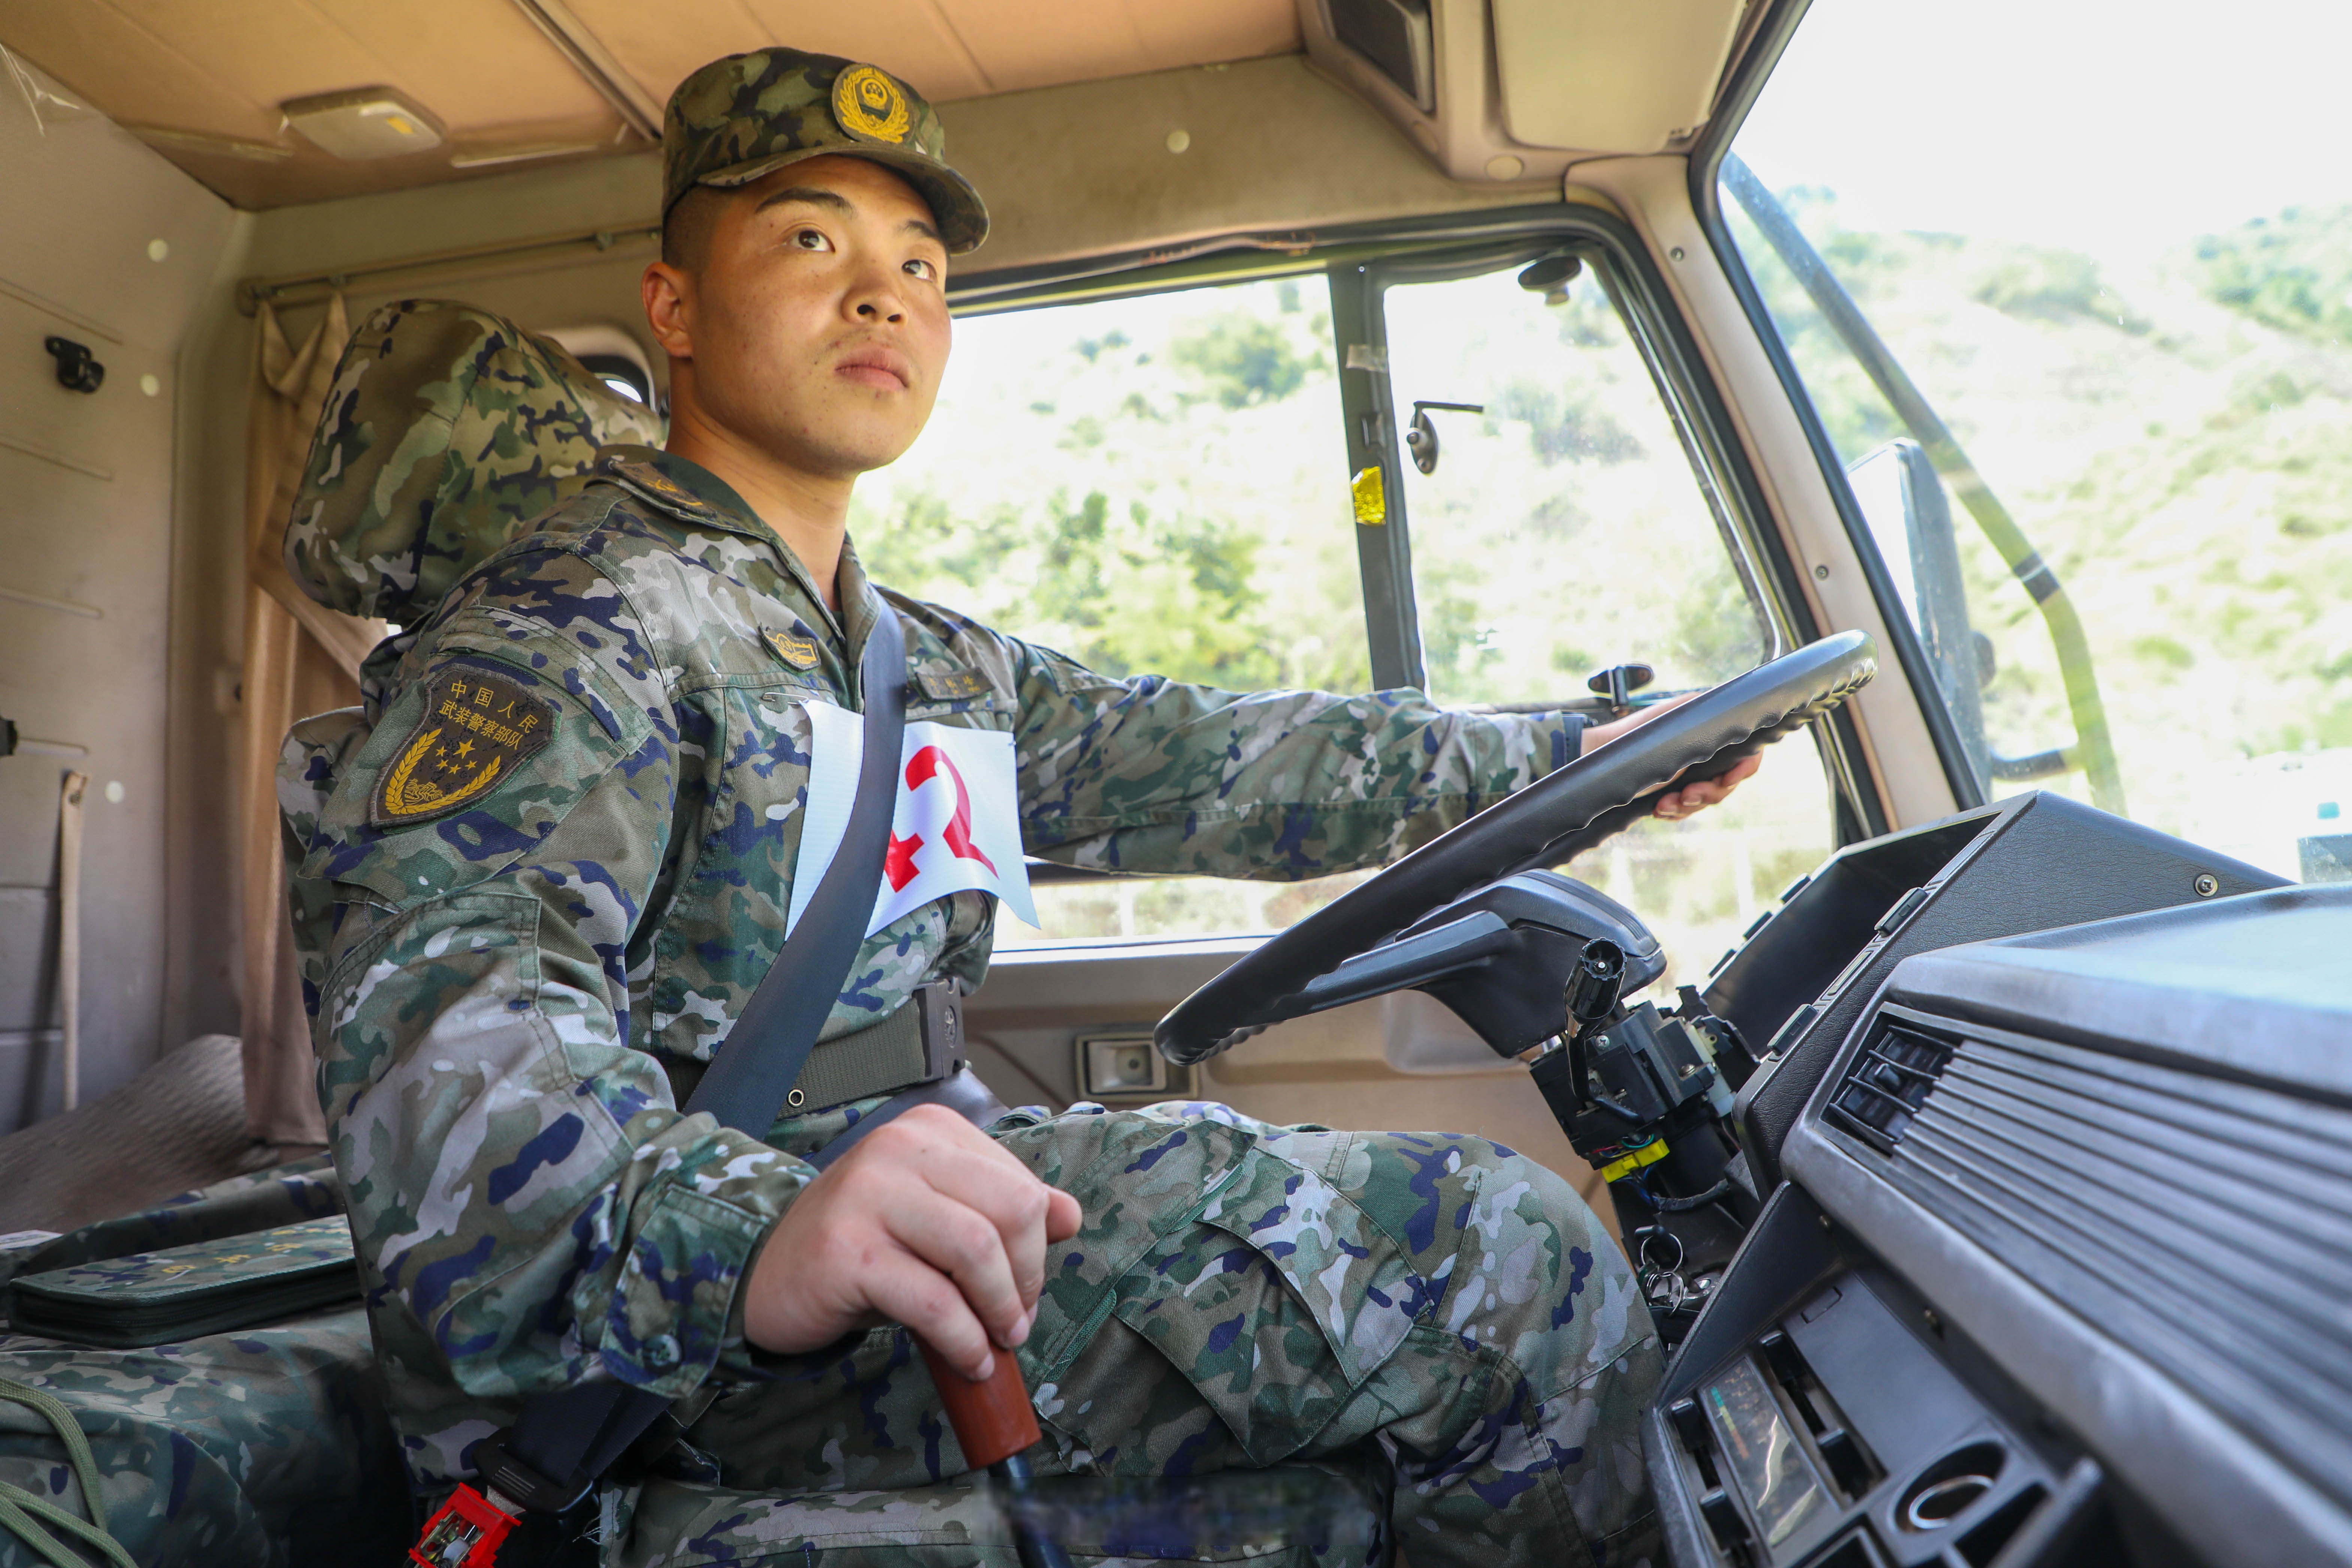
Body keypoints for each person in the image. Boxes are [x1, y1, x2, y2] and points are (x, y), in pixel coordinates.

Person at [284, 47, 1758, 1568]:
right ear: (672, 310)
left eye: (917, 264)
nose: (884, 297)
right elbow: (446, 1104)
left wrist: (1574, 753)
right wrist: (760, 1235)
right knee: (1504, 1259)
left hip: (909, 1216)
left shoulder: (907, 655)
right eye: (811, 243)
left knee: (1395, 1380)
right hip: (683, 1341)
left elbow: (1217, 758)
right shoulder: (563, 641)